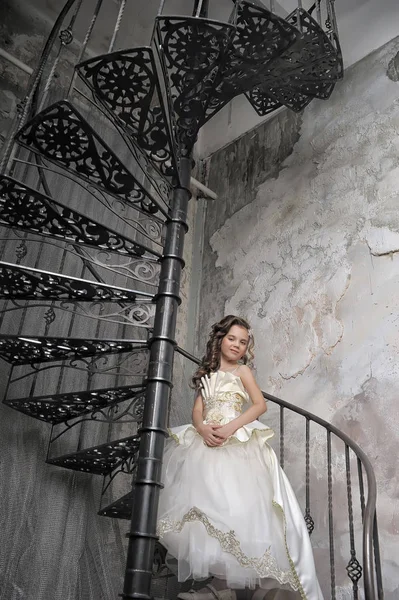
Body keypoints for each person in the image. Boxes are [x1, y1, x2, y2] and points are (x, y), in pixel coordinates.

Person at [157, 315, 324, 600]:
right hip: (206, 442)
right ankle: (220, 587)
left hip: (235, 443)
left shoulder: (242, 372)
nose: (237, 345)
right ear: (220, 339)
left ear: (247, 348)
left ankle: (223, 588)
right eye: (232, 338)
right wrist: (201, 428)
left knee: (234, 509)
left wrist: (232, 428)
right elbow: (198, 409)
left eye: (243, 342)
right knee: (209, 507)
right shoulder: (206, 373)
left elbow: (259, 405)